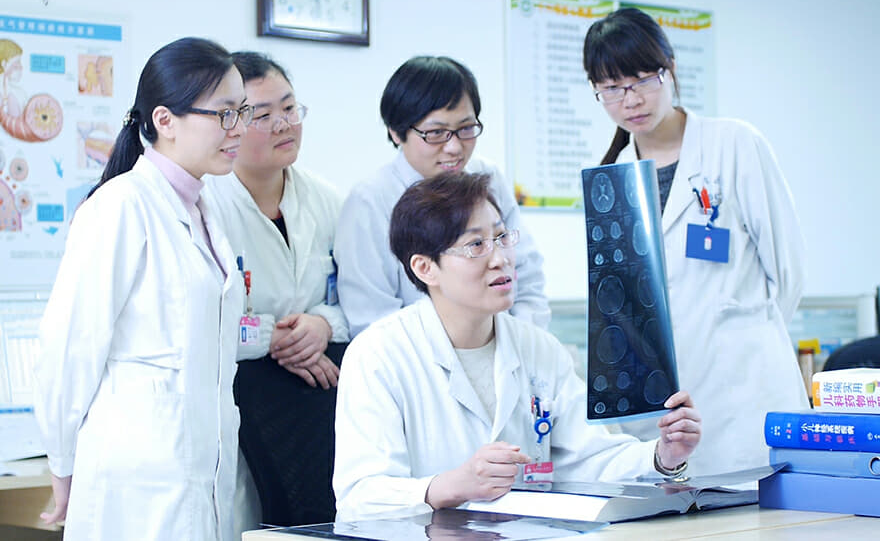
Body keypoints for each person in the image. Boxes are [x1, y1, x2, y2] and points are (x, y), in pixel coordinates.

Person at [333, 172, 701, 522]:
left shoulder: (539, 348)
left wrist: (663, 455)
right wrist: (449, 486)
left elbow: (588, 456)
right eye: (476, 245)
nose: (501, 258)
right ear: (425, 268)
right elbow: (360, 497)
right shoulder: (378, 355)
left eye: (501, 237)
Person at [33, 37, 250, 540]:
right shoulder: (120, 207)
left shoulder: (205, 210)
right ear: (165, 120)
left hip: (198, 474)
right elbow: (69, 349)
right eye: (224, 114)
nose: (239, 128)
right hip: (137, 481)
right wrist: (62, 463)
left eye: (242, 111)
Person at [582, 8, 808, 476]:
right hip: (667, 411)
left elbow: (788, 271)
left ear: (670, 68)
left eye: (643, 80)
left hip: (746, 391)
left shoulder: (734, 144)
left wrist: (742, 336)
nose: (631, 100)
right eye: (612, 88)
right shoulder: (612, 178)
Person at [203, 51, 349, 533]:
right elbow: (199, 320)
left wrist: (322, 324)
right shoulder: (206, 207)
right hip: (234, 409)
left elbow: (358, 299)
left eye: (289, 107)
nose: (284, 124)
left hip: (313, 408)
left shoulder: (328, 201)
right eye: (263, 115)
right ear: (230, 123)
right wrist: (272, 337)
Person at [335, 56, 550, 338]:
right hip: (415, 358)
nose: (454, 147)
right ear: (396, 132)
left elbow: (527, 275)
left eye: (466, 129)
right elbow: (372, 318)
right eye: (436, 133)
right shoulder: (370, 201)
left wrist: (520, 345)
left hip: (504, 347)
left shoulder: (487, 177)